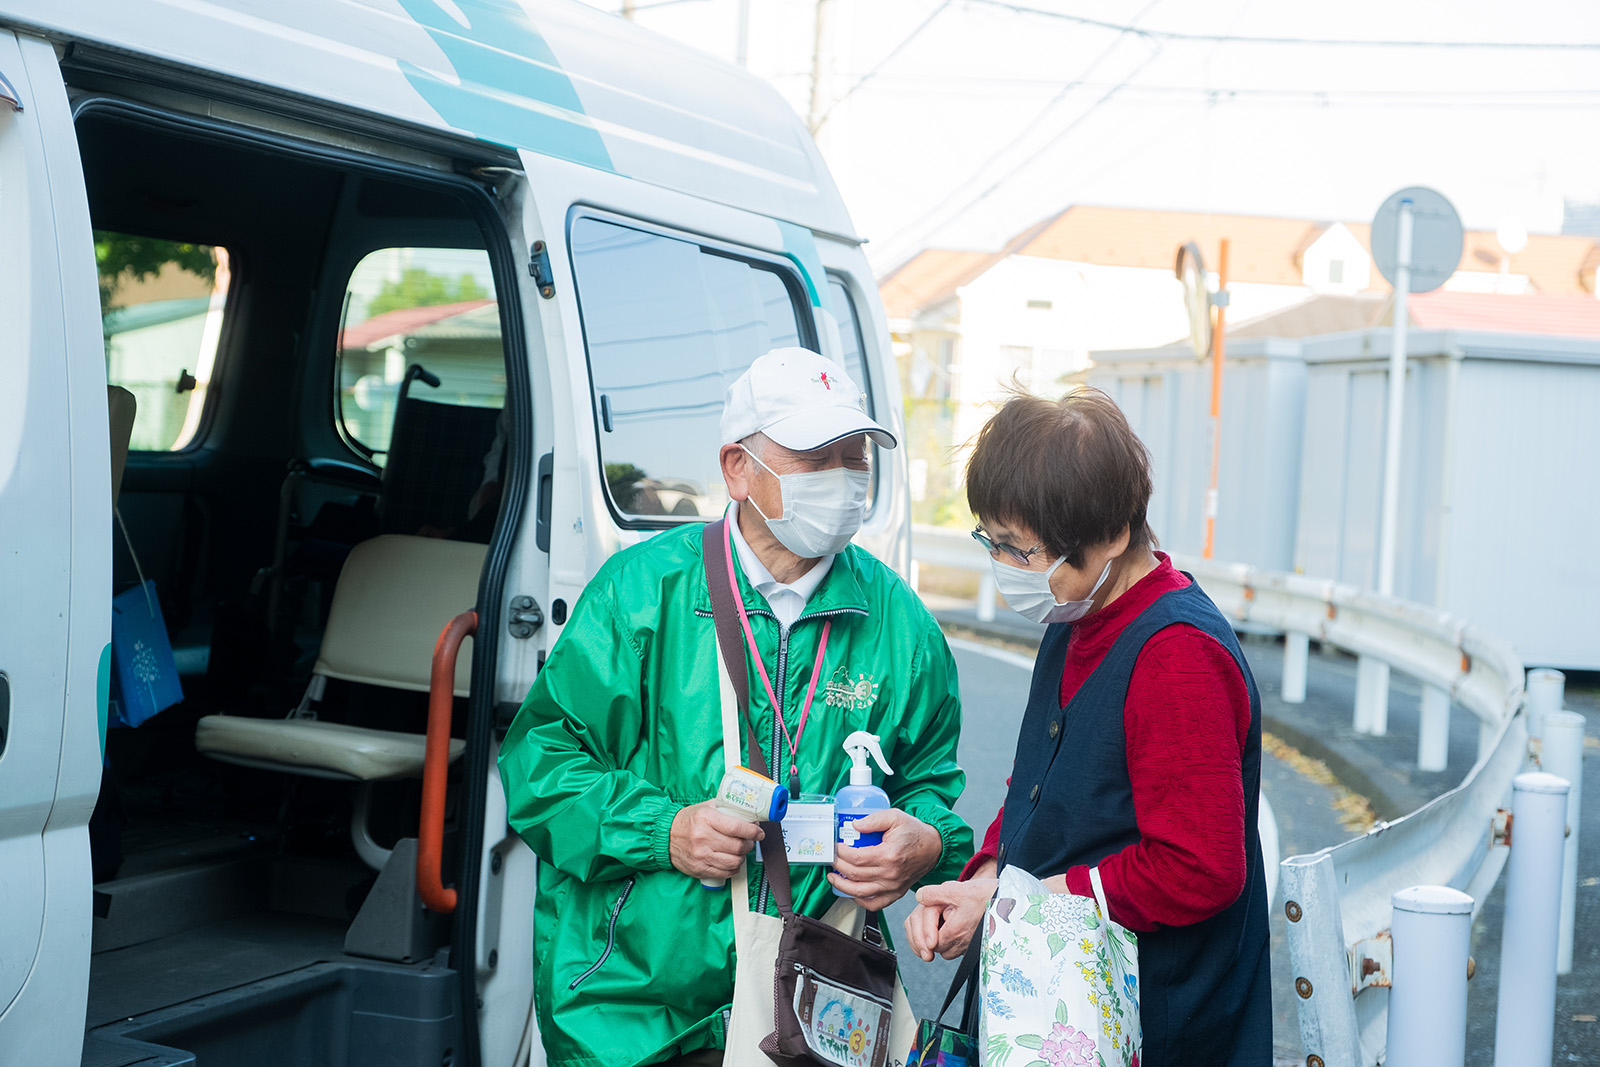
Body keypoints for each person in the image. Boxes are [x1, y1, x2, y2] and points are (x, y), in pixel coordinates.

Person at [499, 347, 973, 1067]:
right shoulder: (641, 591)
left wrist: (927, 843)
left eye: (857, 454)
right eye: (817, 454)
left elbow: (931, 786)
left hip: (810, 1008)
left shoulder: (901, 626)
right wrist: (668, 829)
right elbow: (539, 765)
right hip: (632, 1006)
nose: (846, 476)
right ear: (737, 468)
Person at [904, 387, 1271, 1065]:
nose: (1006, 566)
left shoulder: (1176, 657)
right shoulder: (1074, 615)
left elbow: (1202, 866)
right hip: (1058, 1004)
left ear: (1109, 537)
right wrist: (985, 877)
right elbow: (1041, 783)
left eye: (1022, 550)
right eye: (993, 540)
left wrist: (1027, 900)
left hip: (1153, 1021)